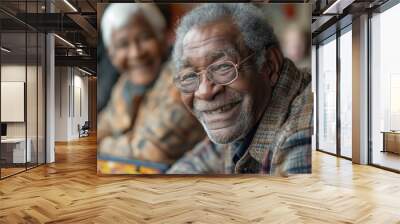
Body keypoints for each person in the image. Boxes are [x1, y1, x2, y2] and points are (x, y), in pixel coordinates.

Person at [167, 3, 313, 175]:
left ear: (270, 65)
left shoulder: (303, 135)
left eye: (223, 67)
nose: (204, 91)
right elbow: (193, 164)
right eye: (190, 76)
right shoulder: (240, 118)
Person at [97, 3, 204, 171]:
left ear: (163, 38)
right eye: (123, 45)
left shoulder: (184, 80)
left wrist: (102, 144)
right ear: (112, 54)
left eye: (145, 37)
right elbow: (102, 127)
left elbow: (154, 151)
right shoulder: (125, 83)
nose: (136, 53)